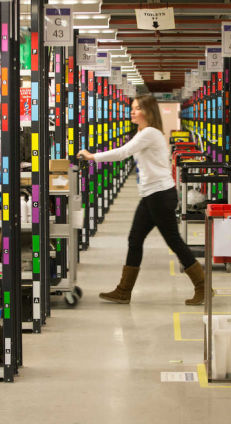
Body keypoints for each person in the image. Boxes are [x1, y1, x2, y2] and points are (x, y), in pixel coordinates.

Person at [77, 94, 204, 305]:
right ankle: (123, 291)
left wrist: (93, 157)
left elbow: (123, 152)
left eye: (137, 108)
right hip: (152, 195)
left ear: (148, 111)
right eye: (132, 108)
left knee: (173, 241)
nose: (132, 112)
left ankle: (202, 286)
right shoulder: (144, 132)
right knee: (135, 239)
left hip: (160, 196)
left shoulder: (150, 133)